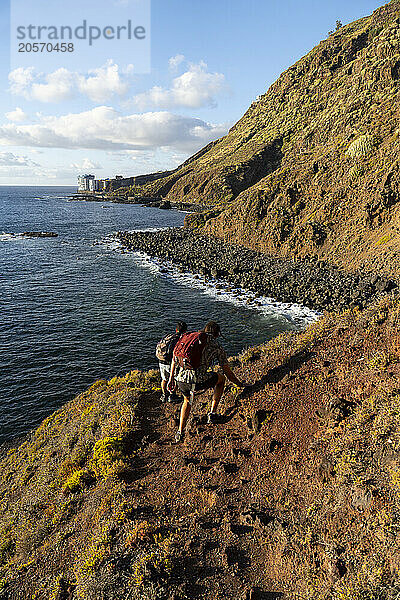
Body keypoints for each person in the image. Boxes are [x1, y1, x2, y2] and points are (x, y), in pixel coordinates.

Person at [168, 320, 251, 442]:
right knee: (221, 379)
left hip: (180, 380)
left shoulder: (191, 339)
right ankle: (212, 414)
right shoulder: (215, 345)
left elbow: (174, 359)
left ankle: (180, 432)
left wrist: (171, 379)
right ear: (217, 334)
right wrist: (240, 384)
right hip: (196, 380)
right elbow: (227, 372)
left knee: (187, 401)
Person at [156, 321, 187, 403]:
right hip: (171, 362)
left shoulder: (169, 336)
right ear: (185, 330)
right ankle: (172, 395)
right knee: (174, 378)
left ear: (176, 329)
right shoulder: (180, 339)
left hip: (161, 360)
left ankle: (164, 395)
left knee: (164, 379)